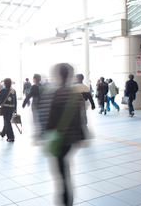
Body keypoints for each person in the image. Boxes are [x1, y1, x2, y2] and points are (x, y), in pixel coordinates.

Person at [45, 63, 88, 206]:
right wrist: (82, 136)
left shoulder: (56, 93)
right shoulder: (75, 94)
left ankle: (65, 201)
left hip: (59, 139)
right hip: (71, 140)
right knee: (65, 170)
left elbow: (51, 119)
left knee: (62, 173)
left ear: (61, 75)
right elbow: (81, 117)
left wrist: (44, 136)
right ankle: (67, 200)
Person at [0, 78, 17, 142]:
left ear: (5, 83)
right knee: (7, 121)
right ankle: (3, 133)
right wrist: (15, 109)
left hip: (5, 108)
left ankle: (11, 137)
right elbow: (15, 101)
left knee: (7, 122)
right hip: (11, 108)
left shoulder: (3, 91)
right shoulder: (13, 91)